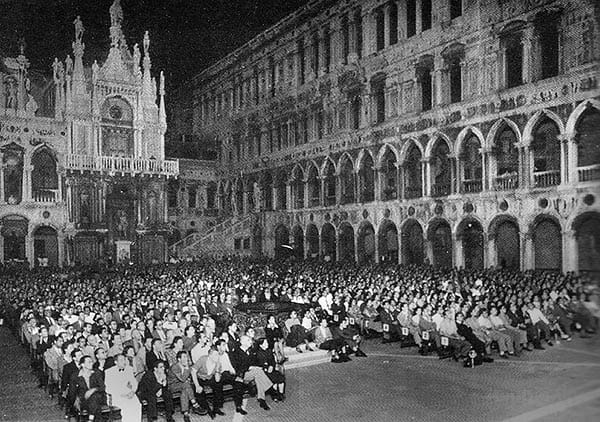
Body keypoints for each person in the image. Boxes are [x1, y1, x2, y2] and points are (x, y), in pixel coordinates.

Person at [230, 335, 274, 411]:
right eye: (248, 340)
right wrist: (250, 368)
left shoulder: (250, 351)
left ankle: (262, 399)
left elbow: (256, 363)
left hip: (252, 373)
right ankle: (271, 389)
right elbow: (236, 367)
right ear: (242, 342)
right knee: (258, 372)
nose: (250, 342)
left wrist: (259, 367)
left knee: (258, 375)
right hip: (241, 375)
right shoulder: (236, 353)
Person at [167, 351, 203, 422]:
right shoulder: (175, 367)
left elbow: (188, 377)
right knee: (186, 385)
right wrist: (187, 368)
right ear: (179, 359)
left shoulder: (186, 366)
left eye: (186, 357)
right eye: (184, 357)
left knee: (184, 392)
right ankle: (195, 404)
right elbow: (182, 379)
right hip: (172, 386)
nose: (186, 359)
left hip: (182, 386)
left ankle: (186, 414)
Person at [104, 354, 141, 422]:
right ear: (116, 362)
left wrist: (133, 391)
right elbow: (108, 388)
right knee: (127, 406)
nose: (124, 362)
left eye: (124, 359)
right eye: (121, 360)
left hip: (129, 393)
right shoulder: (109, 372)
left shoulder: (129, 369)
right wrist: (121, 394)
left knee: (137, 405)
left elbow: (134, 383)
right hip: (116, 396)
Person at [191, 347, 226, 417]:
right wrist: (197, 385)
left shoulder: (218, 363)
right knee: (199, 391)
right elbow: (193, 371)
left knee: (218, 386)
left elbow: (217, 379)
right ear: (210, 355)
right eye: (216, 355)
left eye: (218, 355)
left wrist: (217, 369)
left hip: (209, 378)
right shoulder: (203, 359)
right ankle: (207, 409)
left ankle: (216, 408)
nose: (218, 357)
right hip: (199, 378)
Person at [72, 355, 106, 421]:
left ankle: (91, 418)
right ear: (82, 364)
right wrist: (75, 400)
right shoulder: (76, 376)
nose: (92, 363)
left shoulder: (97, 373)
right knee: (95, 406)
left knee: (94, 397)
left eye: (92, 362)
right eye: (89, 362)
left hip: (99, 398)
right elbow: (72, 391)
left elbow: (102, 387)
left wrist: (93, 390)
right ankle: (93, 418)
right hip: (84, 400)